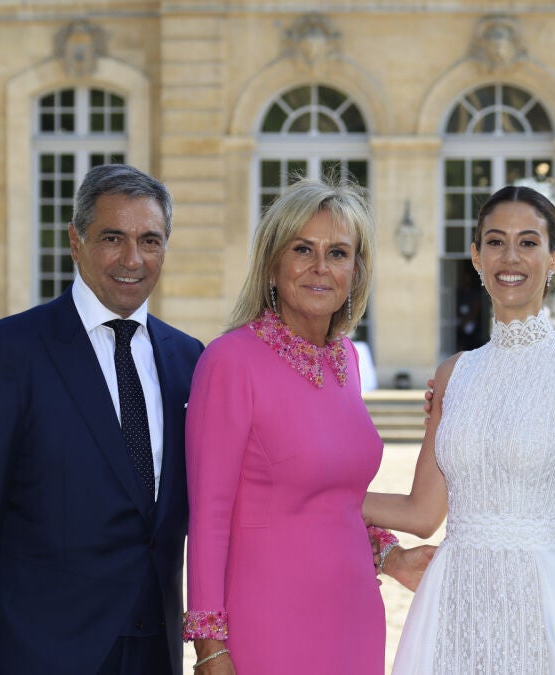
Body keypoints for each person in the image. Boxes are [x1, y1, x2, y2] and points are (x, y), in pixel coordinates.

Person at [0, 164, 204, 674]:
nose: (133, 259)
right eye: (112, 238)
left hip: (154, 653)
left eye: (150, 240)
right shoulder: (6, 352)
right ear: (76, 242)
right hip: (39, 655)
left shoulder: (190, 360)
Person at [365, 185, 555, 674]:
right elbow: (422, 512)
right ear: (476, 256)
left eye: (528, 242)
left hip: (545, 604)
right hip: (454, 605)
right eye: (496, 241)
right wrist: (321, 495)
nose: (511, 257)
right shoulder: (452, 373)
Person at [182, 176, 429, 674]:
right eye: (302, 249)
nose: (321, 267)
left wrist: (389, 555)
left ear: (356, 271)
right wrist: (209, 645)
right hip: (268, 620)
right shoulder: (230, 361)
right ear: (273, 265)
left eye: (338, 253)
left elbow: (337, 499)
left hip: (355, 614)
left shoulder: (347, 360)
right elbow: (208, 515)